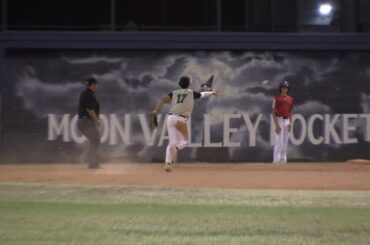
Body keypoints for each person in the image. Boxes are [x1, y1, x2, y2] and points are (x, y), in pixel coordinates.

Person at [153, 76, 218, 172]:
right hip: (181, 118)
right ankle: (176, 148)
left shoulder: (174, 93)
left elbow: (163, 99)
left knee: (171, 142)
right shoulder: (191, 93)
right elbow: (203, 94)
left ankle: (168, 164)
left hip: (170, 117)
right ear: (189, 84)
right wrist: (212, 93)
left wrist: (156, 110)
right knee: (184, 141)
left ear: (180, 84)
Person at [77, 77, 101, 169]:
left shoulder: (85, 93)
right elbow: (89, 109)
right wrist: (96, 120)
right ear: (93, 85)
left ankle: (93, 162)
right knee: (96, 139)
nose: (97, 86)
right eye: (96, 84)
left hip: (83, 121)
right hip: (86, 121)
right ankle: (91, 158)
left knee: (94, 140)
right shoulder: (89, 95)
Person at [272, 80, 294, 164]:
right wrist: (277, 125)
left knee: (285, 142)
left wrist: (290, 123)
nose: (284, 89)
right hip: (280, 120)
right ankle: (276, 160)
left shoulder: (290, 99)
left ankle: (283, 159)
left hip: (287, 120)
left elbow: (290, 112)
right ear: (280, 88)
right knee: (278, 141)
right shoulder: (276, 99)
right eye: (283, 88)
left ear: (288, 89)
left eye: (286, 88)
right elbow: (274, 112)